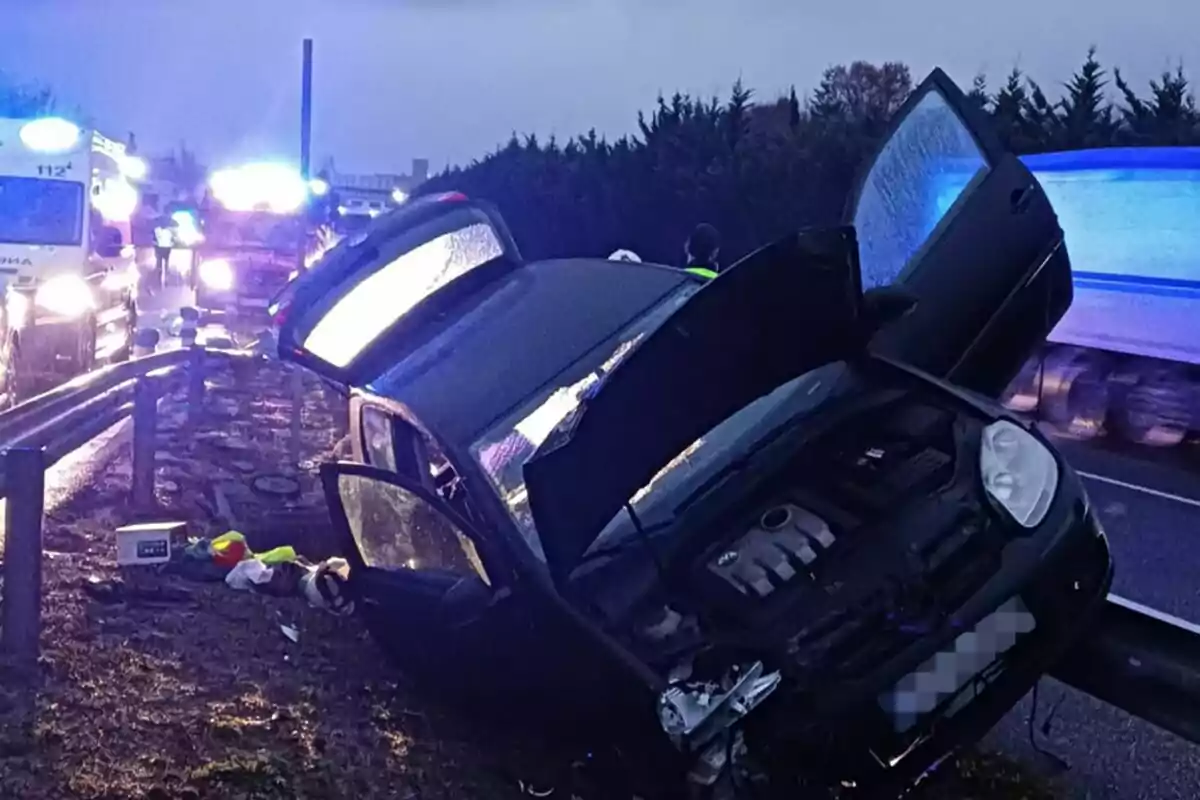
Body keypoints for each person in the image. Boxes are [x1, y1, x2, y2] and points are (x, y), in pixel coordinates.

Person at [152, 216, 175, 293]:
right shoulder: (157, 230)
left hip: (166, 248)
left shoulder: (169, 231)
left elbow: (172, 239)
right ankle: (159, 279)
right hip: (160, 248)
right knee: (159, 264)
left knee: (165, 264)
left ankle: (165, 279)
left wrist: (171, 244)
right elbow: (153, 240)